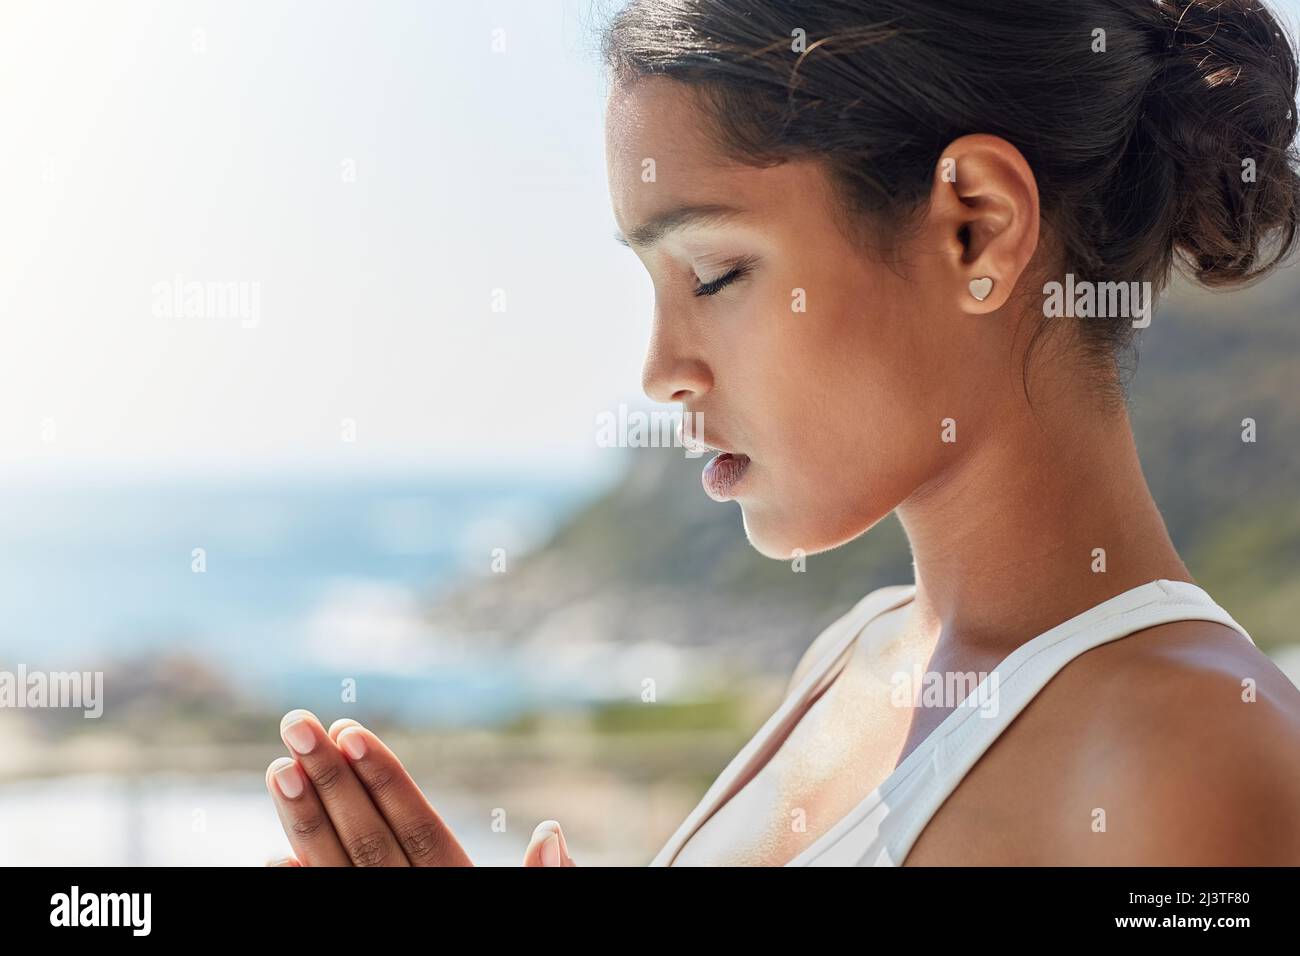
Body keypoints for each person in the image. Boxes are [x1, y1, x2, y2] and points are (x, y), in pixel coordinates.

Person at [263, 0, 1300, 866]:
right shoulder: (846, 655)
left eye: (714, 272)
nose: (660, 370)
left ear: (974, 226)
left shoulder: (1194, 756)